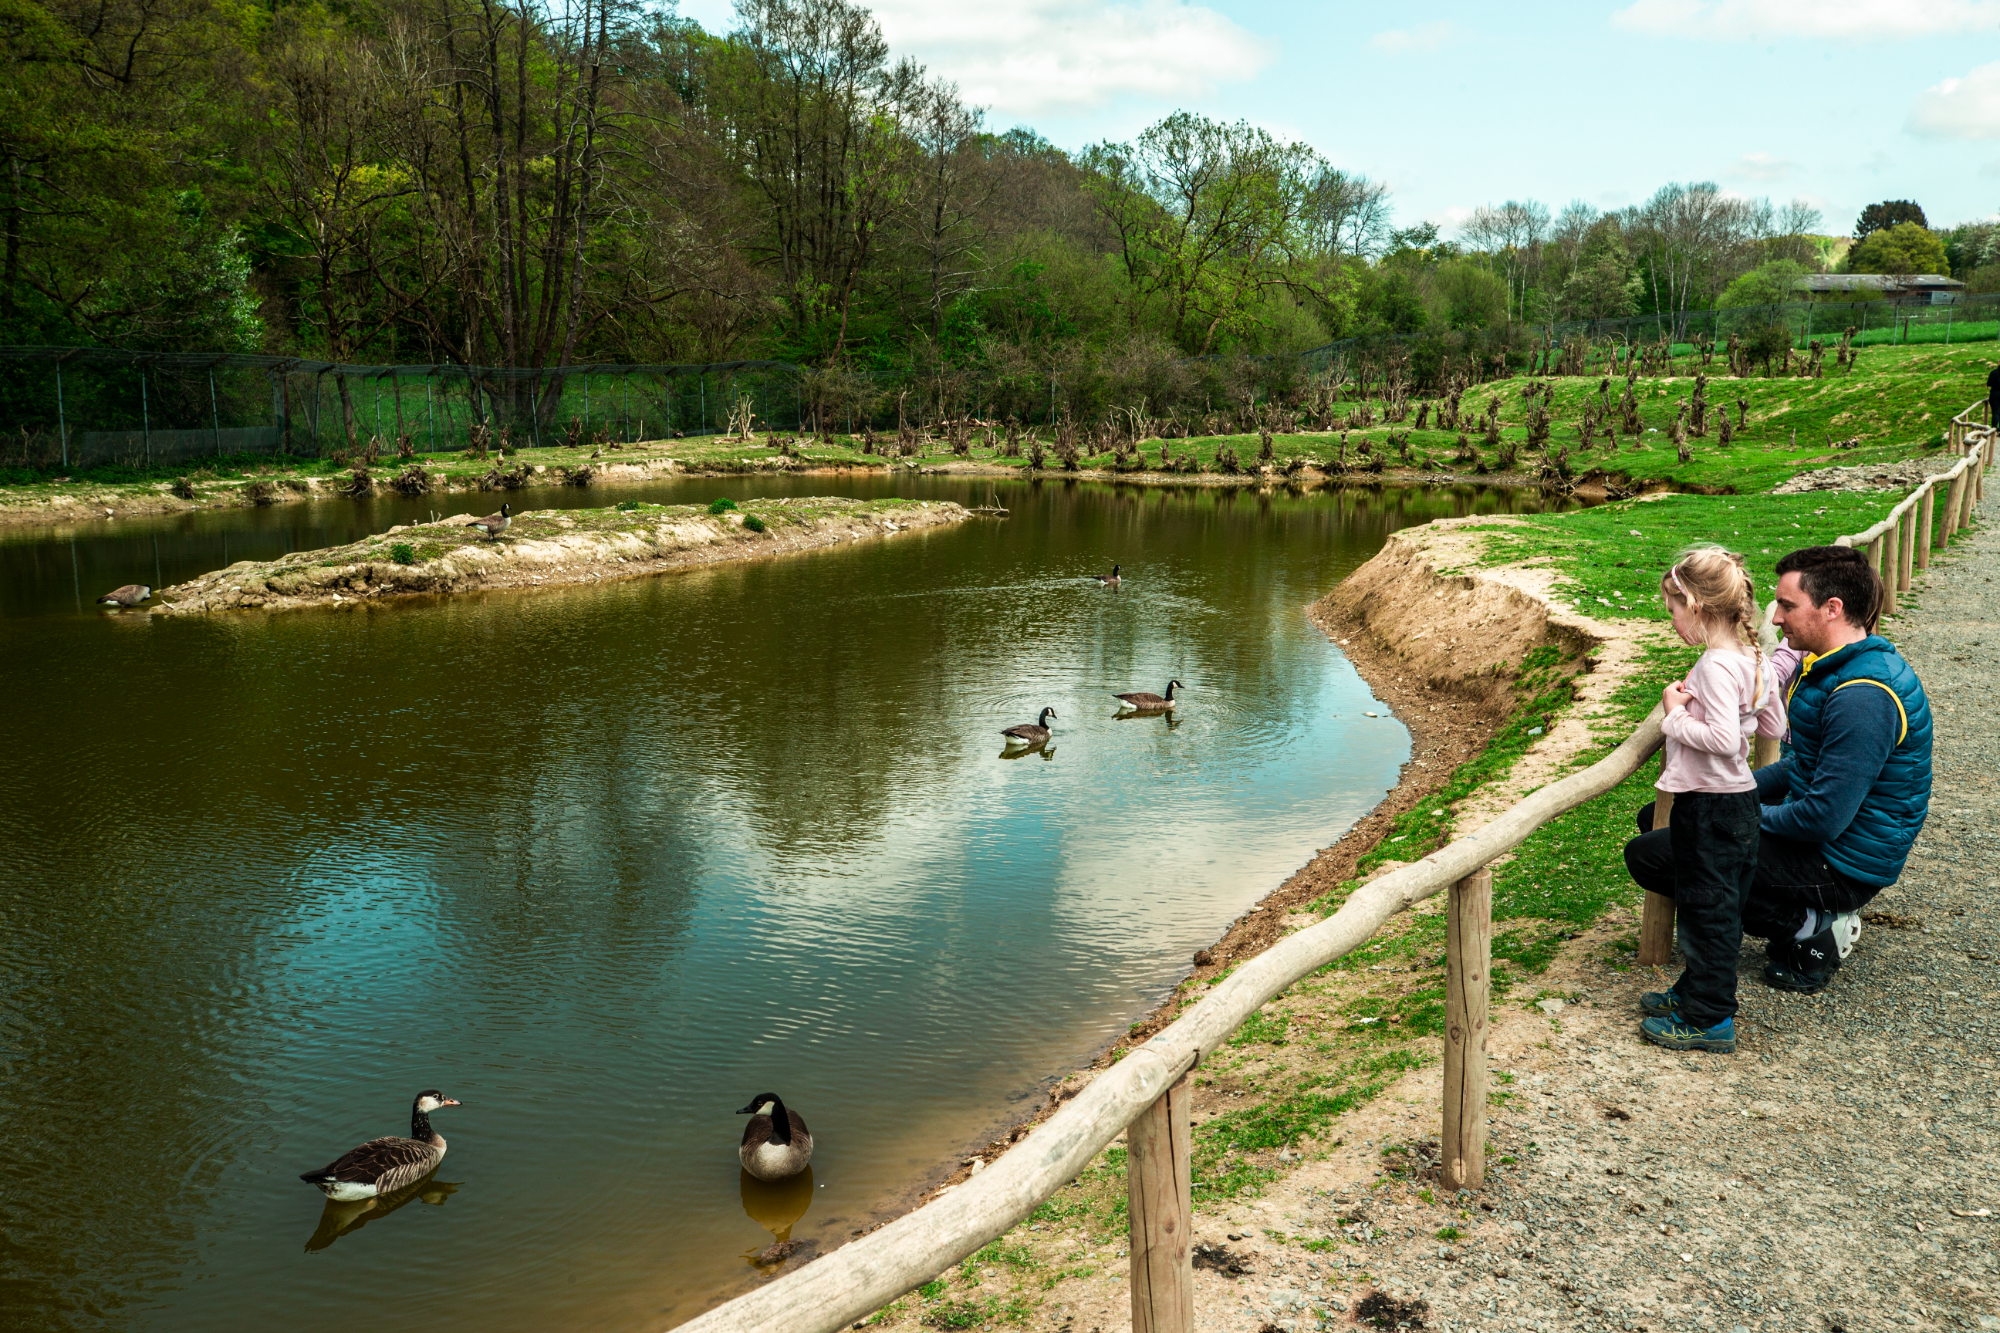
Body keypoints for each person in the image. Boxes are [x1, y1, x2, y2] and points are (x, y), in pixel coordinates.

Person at [1623, 545, 1933, 1006]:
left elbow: (1822, 819)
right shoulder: (1833, 665)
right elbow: (1801, 765)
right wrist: (1735, 795)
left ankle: (1810, 927)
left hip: (1844, 862)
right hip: (1830, 838)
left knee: (1654, 855)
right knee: (1662, 817)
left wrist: (1730, 813)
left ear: (1832, 609)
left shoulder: (1863, 697)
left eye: (1787, 606)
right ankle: (1795, 911)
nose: (1778, 620)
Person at [1630, 547, 1787, 1054]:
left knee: (1706, 913)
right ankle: (1693, 993)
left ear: (1695, 604)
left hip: (1710, 804)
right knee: (1722, 905)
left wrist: (1673, 713)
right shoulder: (1752, 657)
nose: (1672, 620)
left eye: (1673, 610)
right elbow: (1775, 726)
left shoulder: (1717, 664)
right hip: (1740, 804)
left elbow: (1722, 739)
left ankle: (1709, 1019)